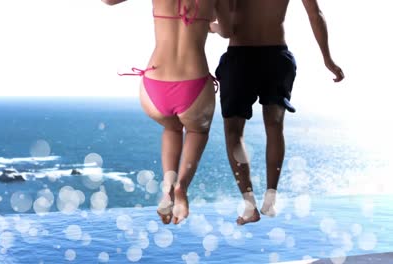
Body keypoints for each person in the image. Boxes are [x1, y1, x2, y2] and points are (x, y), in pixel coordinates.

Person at [210, 0, 344, 225]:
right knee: (274, 127)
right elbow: (315, 13)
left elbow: (225, 26)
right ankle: (271, 195)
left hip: (240, 56)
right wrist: (327, 59)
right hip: (276, 56)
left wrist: (211, 27)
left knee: (233, 132)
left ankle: (249, 204)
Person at [102, 0, 230, 224]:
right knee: (197, 132)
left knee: (171, 127)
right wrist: (210, 25)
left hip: (154, 85)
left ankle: (167, 187)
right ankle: (182, 186)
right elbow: (229, 30)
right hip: (194, 83)